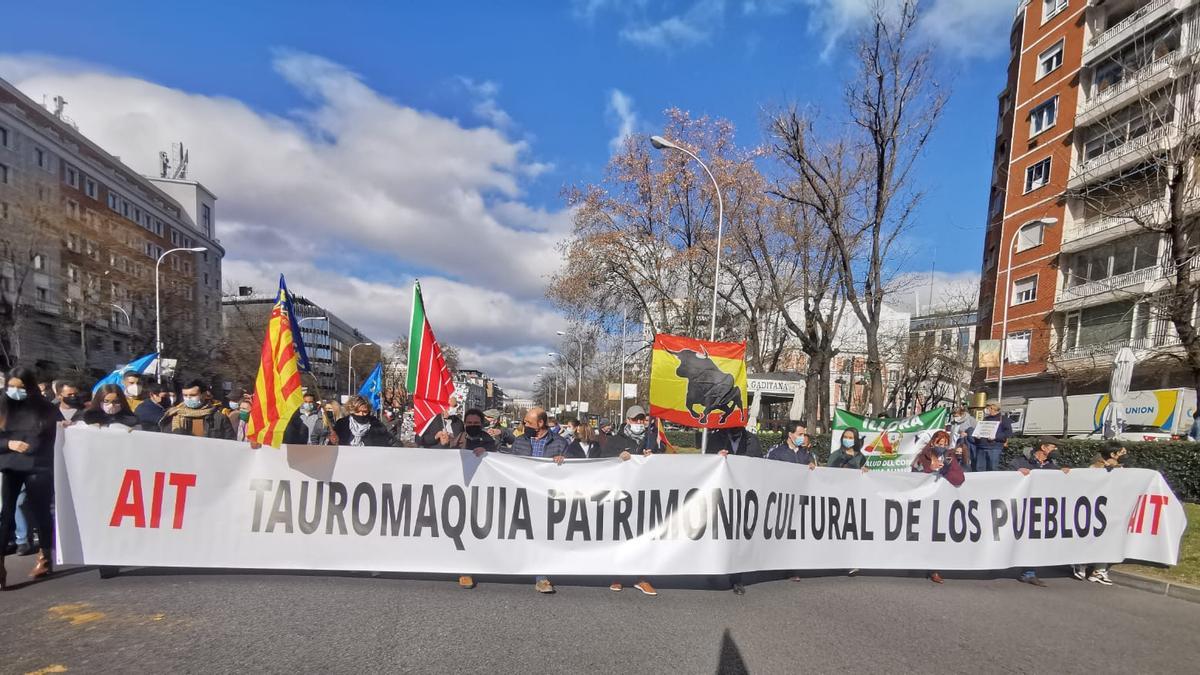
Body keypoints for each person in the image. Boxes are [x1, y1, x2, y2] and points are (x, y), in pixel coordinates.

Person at [0, 367, 63, 589]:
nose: (15, 391)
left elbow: (59, 431)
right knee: (6, 513)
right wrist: (9, 444)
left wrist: (66, 427)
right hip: (11, 466)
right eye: (12, 387)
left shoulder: (45, 407)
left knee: (41, 511)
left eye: (21, 387)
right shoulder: (2, 404)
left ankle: (45, 557)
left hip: (39, 466)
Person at [511, 407, 568, 594]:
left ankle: (541, 576)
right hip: (523, 494)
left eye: (528, 422)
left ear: (541, 423)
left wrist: (564, 461)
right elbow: (508, 465)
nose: (524, 425)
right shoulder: (519, 442)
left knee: (542, 535)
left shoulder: (560, 443)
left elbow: (574, 470)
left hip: (547, 496)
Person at [1011, 437, 1071, 587]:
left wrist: (1065, 474)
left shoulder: (1053, 467)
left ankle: (1029, 572)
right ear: (1043, 448)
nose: (1056, 451)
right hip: (1018, 508)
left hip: (1039, 510)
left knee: (1033, 540)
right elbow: (1002, 478)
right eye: (1053, 447)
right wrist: (1016, 473)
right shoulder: (1019, 462)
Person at [911, 430, 966, 584]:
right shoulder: (923, 456)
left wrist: (944, 470)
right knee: (920, 533)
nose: (942, 446)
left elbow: (959, 478)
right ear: (933, 442)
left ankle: (934, 569)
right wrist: (931, 469)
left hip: (941, 502)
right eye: (939, 443)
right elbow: (914, 476)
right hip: (924, 500)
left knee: (936, 536)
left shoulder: (950, 457)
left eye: (945, 444)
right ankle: (913, 561)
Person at [766, 420, 816, 583]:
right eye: (800, 434)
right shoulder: (776, 452)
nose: (803, 437)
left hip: (800, 500)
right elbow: (764, 470)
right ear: (790, 434)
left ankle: (791, 568)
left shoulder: (805, 454)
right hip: (780, 499)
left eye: (804, 434)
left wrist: (812, 469)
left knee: (794, 535)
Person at [1072, 441, 1127, 586]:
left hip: (1112, 509)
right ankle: (1080, 564)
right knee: (1090, 536)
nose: (1125, 454)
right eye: (1122, 452)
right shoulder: (1094, 468)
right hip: (1094, 509)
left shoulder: (1122, 470)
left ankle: (1099, 570)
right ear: (1113, 454)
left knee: (1109, 538)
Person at [160, 380, 237, 439]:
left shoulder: (219, 418)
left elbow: (230, 442)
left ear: (204, 395)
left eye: (193, 395)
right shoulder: (172, 415)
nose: (188, 398)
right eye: (185, 395)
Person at [973, 401, 1012, 472]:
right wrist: (977, 436)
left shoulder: (1004, 419)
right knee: (979, 469)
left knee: (992, 469)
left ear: (992, 408)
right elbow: (980, 430)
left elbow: (1008, 433)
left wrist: (996, 436)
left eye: (987, 408)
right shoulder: (985, 419)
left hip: (994, 448)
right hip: (981, 447)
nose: (986, 410)